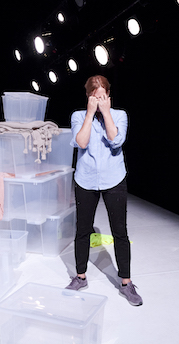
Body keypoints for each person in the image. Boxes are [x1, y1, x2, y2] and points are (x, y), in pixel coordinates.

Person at [65, 75, 143, 307]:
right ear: (88, 97)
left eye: (102, 97)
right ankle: (80, 277)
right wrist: (90, 114)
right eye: (94, 97)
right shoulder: (78, 116)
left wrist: (106, 113)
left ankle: (126, 283)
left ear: (108, 96)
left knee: (120, 232)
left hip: (114, 179)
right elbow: (81, 142)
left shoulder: (119, 115)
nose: (98, 101)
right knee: (83, 230)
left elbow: (116, 140)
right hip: (86, 179)